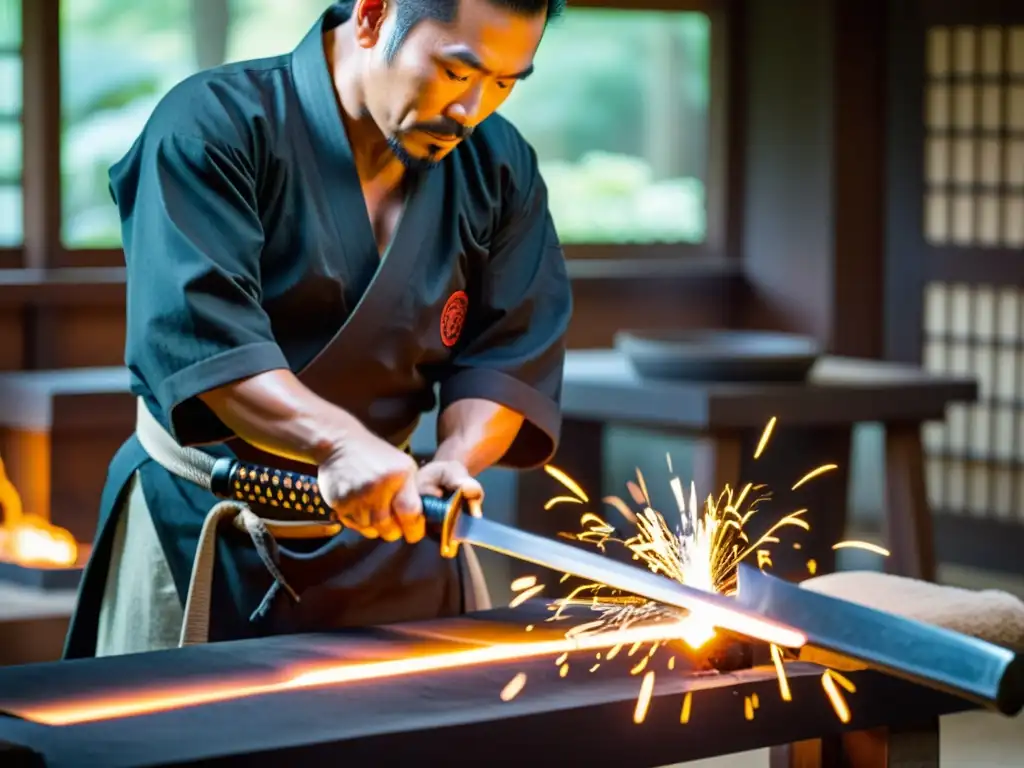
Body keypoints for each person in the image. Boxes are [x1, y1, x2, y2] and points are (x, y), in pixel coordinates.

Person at [63, 0, 572, 659]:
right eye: (455, 72)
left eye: (504, 83)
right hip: (207, 523)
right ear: (371, 15)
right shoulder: (210, 126)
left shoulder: (500, 167)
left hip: (398, 528)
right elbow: (208, 348)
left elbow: (507, 356)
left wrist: (453, 462)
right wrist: (336, 446)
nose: (470, 111)